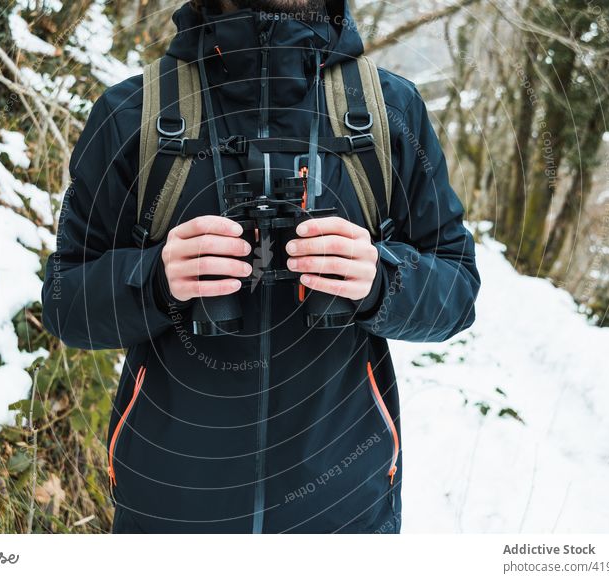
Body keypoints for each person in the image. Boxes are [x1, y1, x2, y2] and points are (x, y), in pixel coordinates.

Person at [41, 0, 480, 533]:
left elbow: (458, 290)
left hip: (343, 513)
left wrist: (381, 279)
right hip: (170, 511)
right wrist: (154, 281)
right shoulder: (132, 113)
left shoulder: (390, 112)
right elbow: (65, 304)